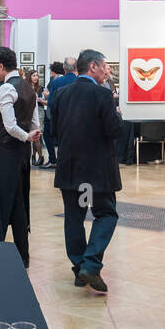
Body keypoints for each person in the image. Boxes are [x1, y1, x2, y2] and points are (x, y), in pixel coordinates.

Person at [51, 49, 122, 294]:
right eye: (105, 66)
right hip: (97, 172)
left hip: (71, 169)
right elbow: (113, 130)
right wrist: (118, 116)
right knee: (105, 214)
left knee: (74, 218)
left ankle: (80, 268)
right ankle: (90, 264)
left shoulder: (60, 94)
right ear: (93, 67)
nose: (107, 70)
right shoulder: (102, 95)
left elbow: (54, 131)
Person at [0, 47, 42, 268]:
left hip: (10, 151)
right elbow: (36, 122)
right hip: (24, 153)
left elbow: (10, 126)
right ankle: (22, 255)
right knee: (20, 201)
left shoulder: (5, 88)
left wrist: (25, 137)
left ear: (1, 66)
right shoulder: (29, 87)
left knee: (4, 199)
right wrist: (31, 136)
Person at [42, 61, 66, 166]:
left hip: (52, 112)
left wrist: (44, 95)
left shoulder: (54, 81)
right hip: (64, 113)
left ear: (53, 71)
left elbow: (51, 98)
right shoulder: (67, 80)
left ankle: (52, 159)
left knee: (47, 135)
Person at [26, 69, 48, 166]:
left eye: (37, 75)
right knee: (33, 135)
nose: (36, 77)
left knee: (37, 135)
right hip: (29, 112)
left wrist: (41, 100)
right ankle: (34, 156)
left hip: (39, 111)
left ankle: (40, 156)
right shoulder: (26, 87)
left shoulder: (40, 88)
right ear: (29, 76)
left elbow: (47, 100)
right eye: (34, 75)